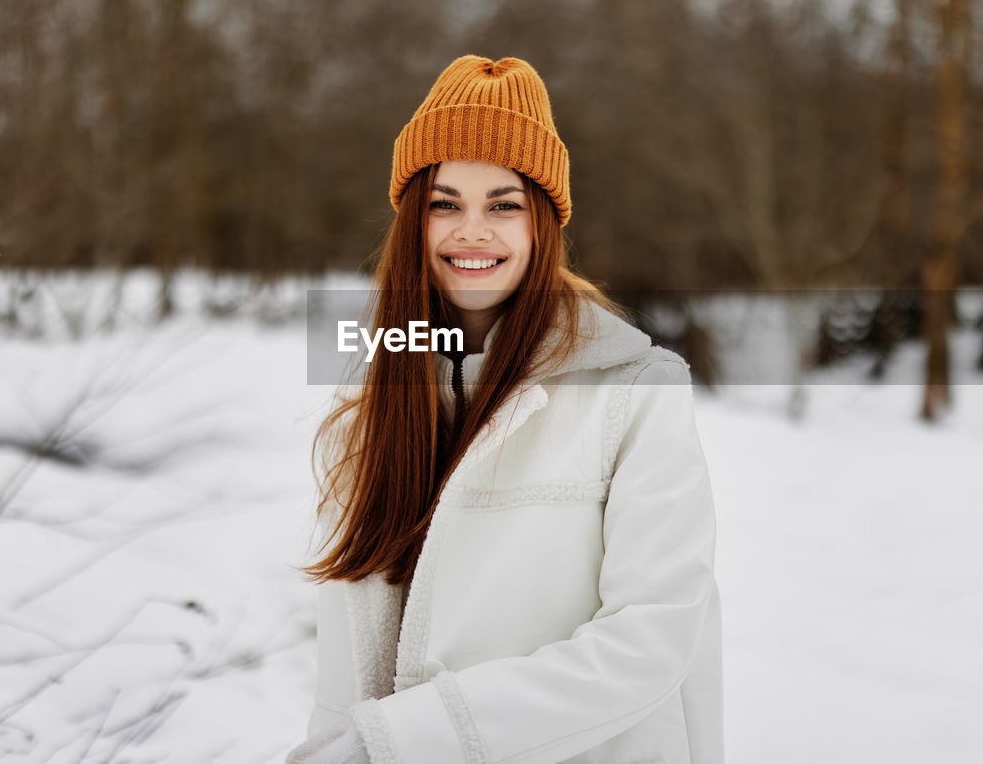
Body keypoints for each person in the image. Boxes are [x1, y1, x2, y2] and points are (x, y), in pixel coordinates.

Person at [287, 55, 723, 764]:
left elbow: (651, 640)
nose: (472, 230)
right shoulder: (367, 423)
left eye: (503, 203)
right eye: (445, 202)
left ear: (541, 221)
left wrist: (399, 745)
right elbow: (345, 688)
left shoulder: (638, 392)